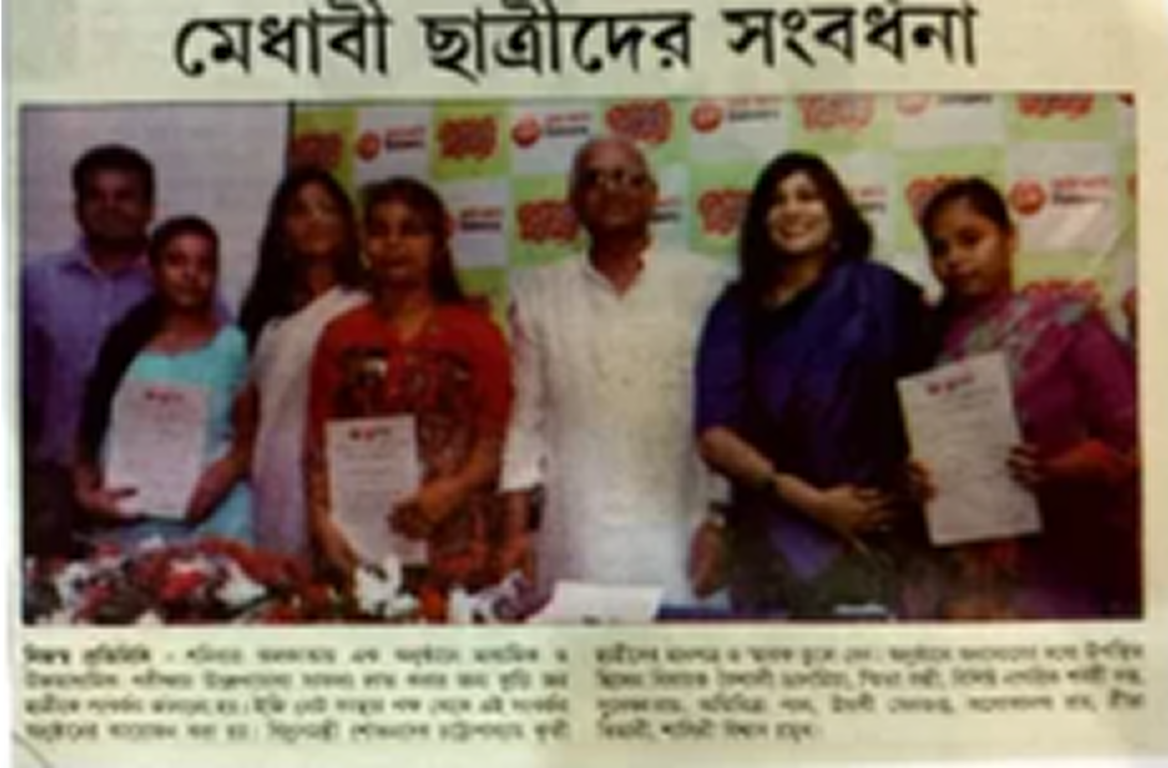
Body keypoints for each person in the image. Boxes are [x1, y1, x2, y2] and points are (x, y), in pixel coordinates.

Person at [695, 151, 934, 619]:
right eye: (777, 200)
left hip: (875, 532)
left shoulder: (882, 294)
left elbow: (932, 393)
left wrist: (921, 471)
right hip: (774, 538)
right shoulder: (736, 310)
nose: (792, 210)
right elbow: (714, 436)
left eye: (807, 196)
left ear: (835, 212)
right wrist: (815, 504)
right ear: (761, 221)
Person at [501, 135, 727, 606]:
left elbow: (726, 417)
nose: (611, 189)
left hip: (679, 536)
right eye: (594, 179)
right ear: (573, 200)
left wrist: (720, 522)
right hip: (577, 539)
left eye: (626, 177)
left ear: (652, 194)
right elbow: (526, 424)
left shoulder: (706, 285)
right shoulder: (539, 293)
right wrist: (517, 532)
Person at [916, 177, 1140, 619]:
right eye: (940, 249)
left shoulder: (1067, 321)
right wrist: (915, 479)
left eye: (970, 239)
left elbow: (1132, 440)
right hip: (964, 581)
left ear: (1010, 238)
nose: (954, 258)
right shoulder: (924, 340)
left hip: (1062, 564)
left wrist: (1057, 467)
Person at [305, 178, 512, 595]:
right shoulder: (340, 336)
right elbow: (318, 450)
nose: (393, 243)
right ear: (364, 243)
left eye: (411, 230)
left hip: (456, 542)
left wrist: (452, 490)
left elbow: (496, 441)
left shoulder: (476, 334)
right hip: (361, 544)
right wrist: (321, 521)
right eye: (379, 230)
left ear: (438, 243)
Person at [74, 216, 254, 547]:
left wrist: (226, 472)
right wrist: (87, 494)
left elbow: (248, 437)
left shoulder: (233, 346)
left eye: (204, 264)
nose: (191, 274)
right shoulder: (123, 344)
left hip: (216, 520)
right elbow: (87, 431)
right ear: (153, 269)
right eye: (176, 261)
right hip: (130, 524)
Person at [22, 144, 157, 555]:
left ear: (149, 208)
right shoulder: (38, 282)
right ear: (77, 207)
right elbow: (22, 386)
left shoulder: (177, 283)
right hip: (53, 482)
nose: (109, 207)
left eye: (124, 196)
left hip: (147, 485)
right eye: (95, 196)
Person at [239, 167, 367, 564]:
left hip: (346, 477)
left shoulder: (365, 306)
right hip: (274, 476)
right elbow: (251, 412)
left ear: (346, 224)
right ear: (281, 229)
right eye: (299, 210)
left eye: (327, 208)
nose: (315, 219)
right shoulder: (265, 315)